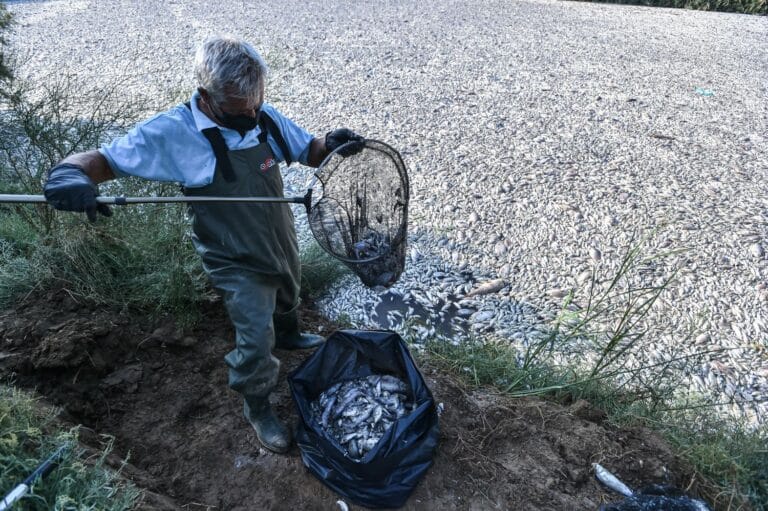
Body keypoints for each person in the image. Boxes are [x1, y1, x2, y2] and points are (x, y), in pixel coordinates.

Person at [43, 35, 364, 454]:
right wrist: (69, 174)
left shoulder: (264, 118)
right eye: (238, 110)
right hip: (232, 255)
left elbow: (309, 150)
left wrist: (332, 143)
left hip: (277, 233)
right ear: (206, 97)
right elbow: (102, 160)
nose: (250, 115)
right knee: (253, 337)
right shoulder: (173, 131)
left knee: (288, 289)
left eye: (255, 104)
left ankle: (290, 333)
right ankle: (258, 405)